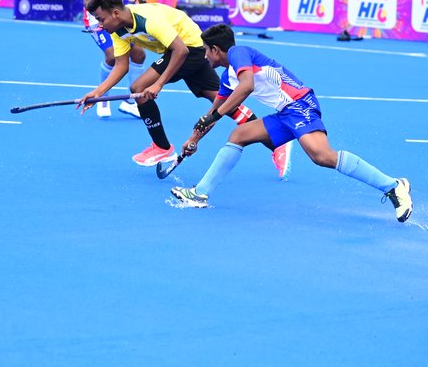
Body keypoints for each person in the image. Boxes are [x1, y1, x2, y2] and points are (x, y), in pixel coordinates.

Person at [169, 23, 412, 223]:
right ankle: (200, 194)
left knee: (322, 156)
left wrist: (216, 114)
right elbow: (212, 112)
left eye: (205, 50)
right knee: (239, 135)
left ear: (215, 49)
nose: (204, 56)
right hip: (284, 113)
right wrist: (194, 139)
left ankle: (393, 186)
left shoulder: (238, 52)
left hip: (299, 104)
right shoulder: (227, 77)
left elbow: (247, 87)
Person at [78, 0, 292, 178]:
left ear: (115, 13)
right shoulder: (117, 30)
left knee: (139, 89)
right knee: (223, 102)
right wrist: (97, 94)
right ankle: (276, 144)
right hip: (182, 50)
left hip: (191, 47)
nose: (100, 25)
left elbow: (181, 50)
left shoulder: (148, 18)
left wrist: (159, 84)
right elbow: (121, 66)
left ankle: (161, 147)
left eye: (101, 19)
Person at [83, 0, 147, 119]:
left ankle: (130, 103)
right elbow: (88, 2)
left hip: (120, 18)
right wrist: (102, 20)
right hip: (97, 20)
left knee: (139, 55)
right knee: (112, 56)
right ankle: (103, 99)